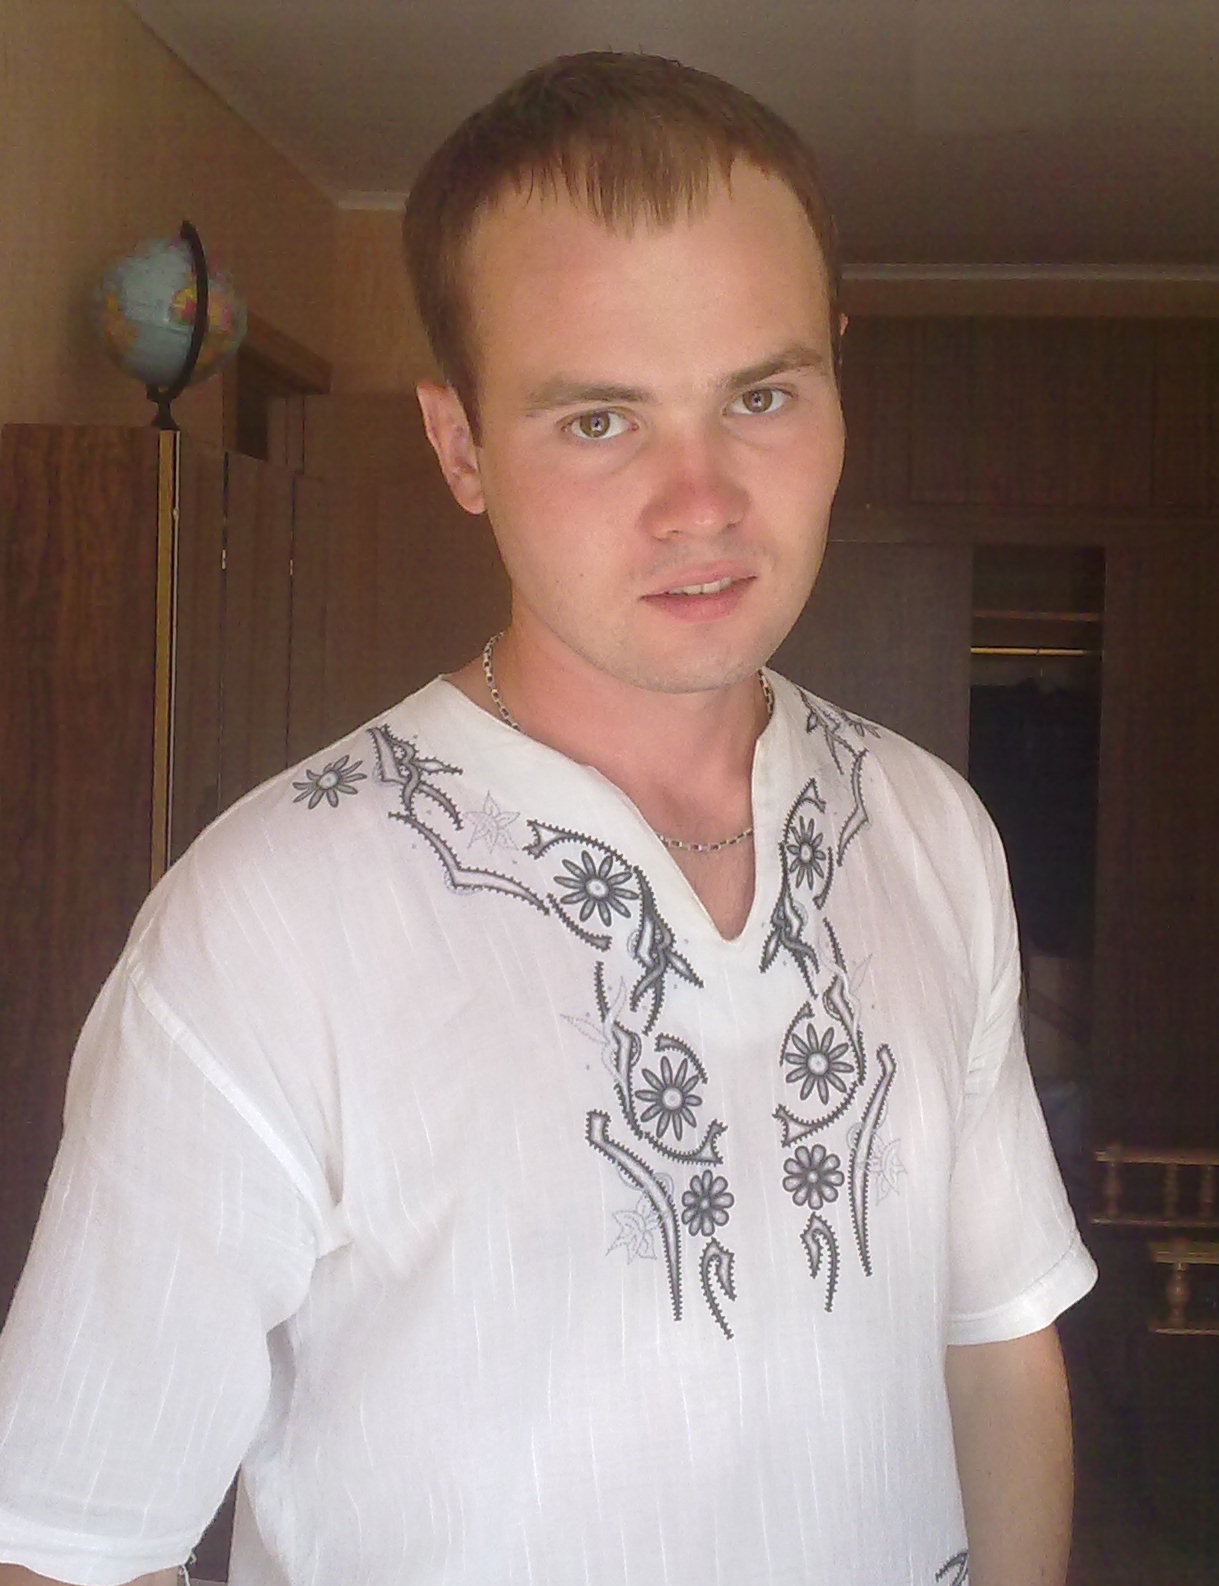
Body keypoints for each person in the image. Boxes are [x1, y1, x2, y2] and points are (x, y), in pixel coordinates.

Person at [0, 51, 1095, 1586]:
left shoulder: (932, 830)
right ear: (460, 445)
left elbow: (994, 1339)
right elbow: (67, 1542)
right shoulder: (268, 920)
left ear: (836, 381)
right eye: (599, 420)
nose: (702, 499)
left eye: (760, 394)